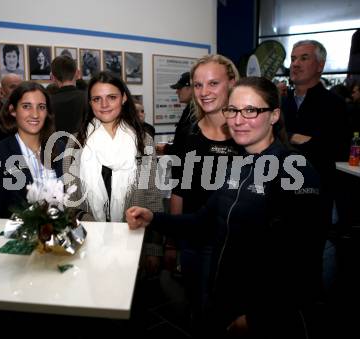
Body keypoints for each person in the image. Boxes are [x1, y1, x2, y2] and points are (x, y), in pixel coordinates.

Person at [127, 76, 325, 338]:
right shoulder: (237, 166)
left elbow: (302, 262)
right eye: (232, 110)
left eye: (251, 110)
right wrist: (154, 218)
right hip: (223, 299)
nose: (238, 120)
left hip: (263, 314)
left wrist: (259, 317)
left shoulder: (294, 170)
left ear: (274, 115)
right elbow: (204, 221)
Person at [63, 71, 164, 275]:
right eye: (97, 99)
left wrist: (154, 249)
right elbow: (70, 198)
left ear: (124, 98)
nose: (104, 104)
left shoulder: (144, 142)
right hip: (88, 242)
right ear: (90, 103)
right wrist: (93, 227)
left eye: (112, 97)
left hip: (134, 241)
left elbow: (152, 196)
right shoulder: (75, 143)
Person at [170, 54, 241, 333]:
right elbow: (180, 187)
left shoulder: (245, 130)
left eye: (213, 83)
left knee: (229, 314)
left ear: (231, 83)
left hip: (236, 242)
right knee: (198, 310)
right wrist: (174, 242)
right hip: (195, 238)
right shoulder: (187, 131)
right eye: (198, 85)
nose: (204, 92)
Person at [282, 40, 351, 231]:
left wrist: (289, 138)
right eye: (293, 58)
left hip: (316, 194)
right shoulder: (281, 103)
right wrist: (295, 136)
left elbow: (339, 149)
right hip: (278, 190)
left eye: (304, 58)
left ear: (320, 65)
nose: (295, 64)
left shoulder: (334, 105)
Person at [0, 82, 64, 223]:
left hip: (58, 238)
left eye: (41, 107)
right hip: (16, 240)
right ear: (12, 110)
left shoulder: (59, 148)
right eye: (26, 106)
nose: (35, 114)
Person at [156, 71, 195, 155]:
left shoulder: (196, 113)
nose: (177, 92)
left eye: (180, 88)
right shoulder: (190, 110)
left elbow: (186, 148)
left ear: (191, 88)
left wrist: (165, 148)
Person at [50, 55, 87, 135]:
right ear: (77, 73)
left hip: (54, 146)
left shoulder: (47, 102)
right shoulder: (88, 99)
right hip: (83, 145)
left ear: (52, 77)